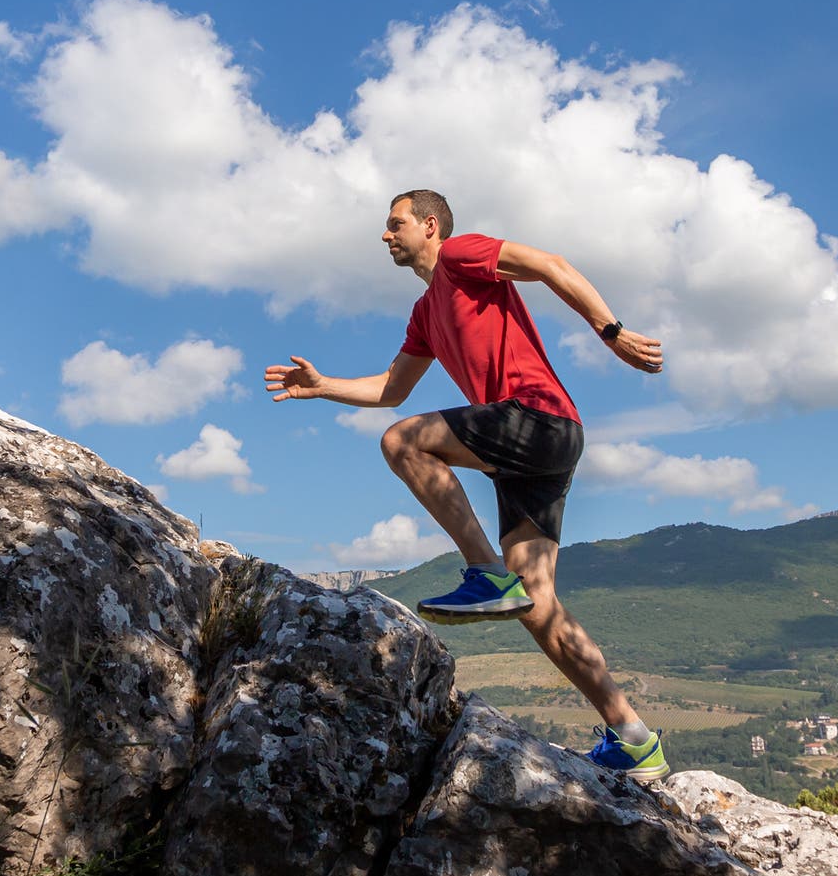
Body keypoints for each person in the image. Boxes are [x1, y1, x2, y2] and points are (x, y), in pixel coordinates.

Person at [263, 189, 671, 782]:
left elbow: (551, 266)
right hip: (533, 452)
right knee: (537, 604)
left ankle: (486, 573)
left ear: (430, 226)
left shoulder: (462, 254)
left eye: (394, 223)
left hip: (539, 418)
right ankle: (633, 737)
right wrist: (323, 385)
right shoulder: (426, 313)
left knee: (402, 442)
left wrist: (612, 331)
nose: (385, 235)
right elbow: (391, 389)